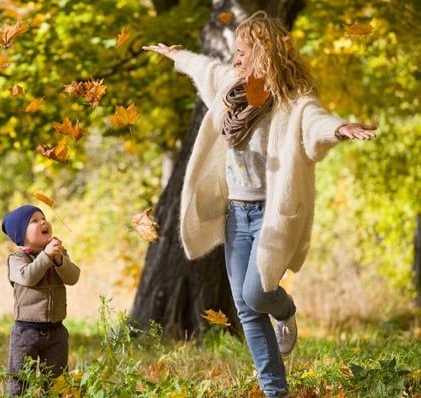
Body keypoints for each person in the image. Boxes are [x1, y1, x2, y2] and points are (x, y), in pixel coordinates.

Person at [143, 11, 376, 398]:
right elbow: (207, 69)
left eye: (242, 52)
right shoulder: (232, 88)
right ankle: (275, 391)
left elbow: (314, 121)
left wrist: (339, 129)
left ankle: (284, 310)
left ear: (264, 52)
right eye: (234, 52)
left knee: (256, 295)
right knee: (247, 309)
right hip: (237, 214)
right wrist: (177, 56)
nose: (235, 60)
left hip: (270, 215)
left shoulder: (292, 101)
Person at [1, 204, 80, 396]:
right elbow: (28, 277)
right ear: (22, 235)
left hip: (56, 331)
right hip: (26, 332)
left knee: (56, 382)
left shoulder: (57, 254)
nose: (43, 222)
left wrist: (59, 260)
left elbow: (73, 278)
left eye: (43, 218)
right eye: (34, 221)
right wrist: (46, 256)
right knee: (21, 380)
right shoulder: (17, 259)